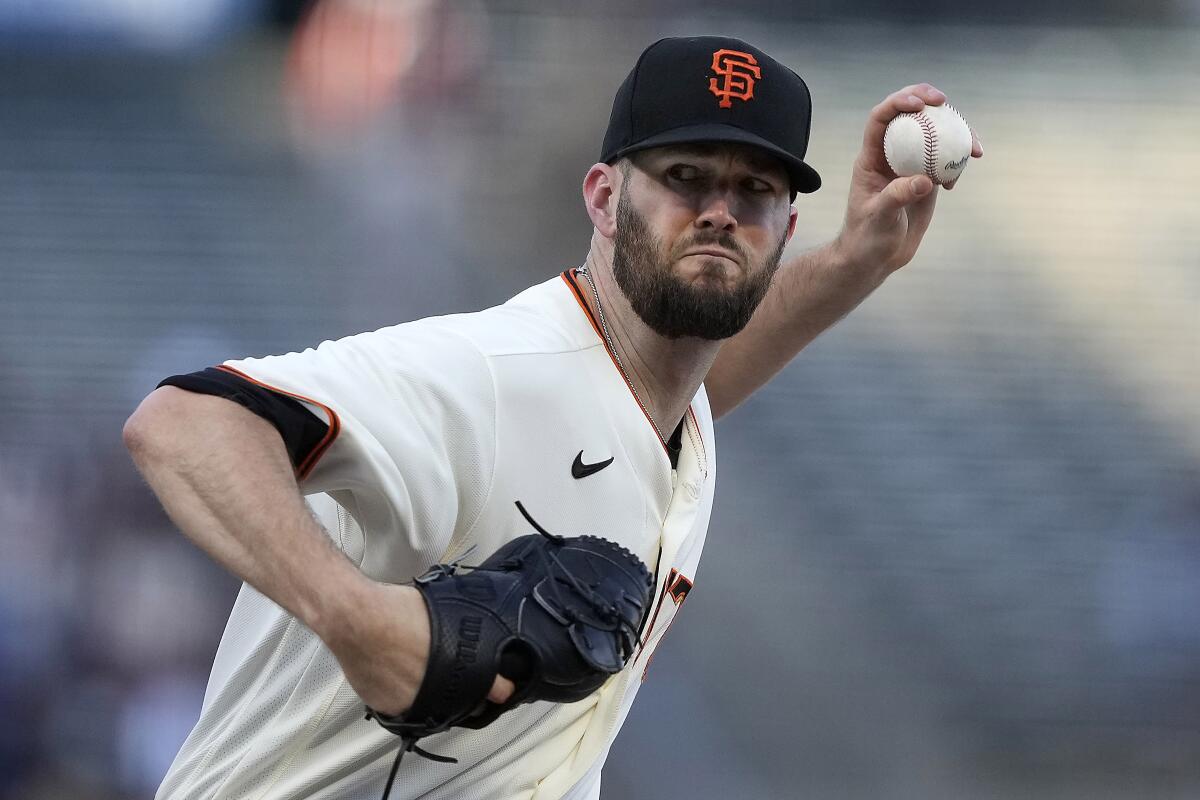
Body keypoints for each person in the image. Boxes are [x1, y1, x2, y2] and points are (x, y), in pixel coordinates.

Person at [124, 35, 981, 800]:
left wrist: (859, 260)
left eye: (753, 189)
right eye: (684, 177)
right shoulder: (492, 372)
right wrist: (354, 618)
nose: (720, 209)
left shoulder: (659, 408)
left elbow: (658, 401)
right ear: (604, 197)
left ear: (785, 226)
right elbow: (182, 423)